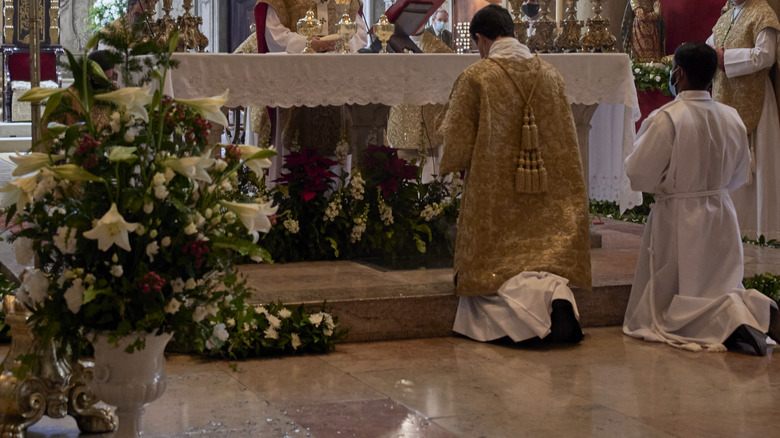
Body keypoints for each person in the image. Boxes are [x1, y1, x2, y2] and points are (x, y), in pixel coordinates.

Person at [437, 4, 591, 344]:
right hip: (545, 186)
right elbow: (566, 138)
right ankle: (556, 296)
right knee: (540, 254)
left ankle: (529, 317)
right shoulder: (551, 74)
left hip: (494, 191)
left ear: (481, 38)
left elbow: (457, 140)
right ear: (513, 32)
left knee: (493, 269)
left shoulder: (477, 76)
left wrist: (453, 164)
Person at [623, 42, 780, 356]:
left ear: (678, 73)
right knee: (719, 284)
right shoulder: (731, 116)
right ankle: (749, 312)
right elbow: (740, 173)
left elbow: (639, 173)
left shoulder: (667, 118)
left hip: (677, 214)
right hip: (722, 211)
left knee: (678, 302)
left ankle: (732, 320)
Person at [254, 0, 369, 155]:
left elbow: (360, 33)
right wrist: (307, 44)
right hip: (296, 76)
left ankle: (343, 178)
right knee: (294, 142)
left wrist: (342, 43)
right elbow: (273, 33)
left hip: (338, 76)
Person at [707, 0, 780, 241]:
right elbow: (710, 49)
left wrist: (725, 58)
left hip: (754, 96)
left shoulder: (763, 13)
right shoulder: (727, 15)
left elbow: (766, 56)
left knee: (756, 161)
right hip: (724, 94)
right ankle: (724, 225)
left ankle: (755, 228)